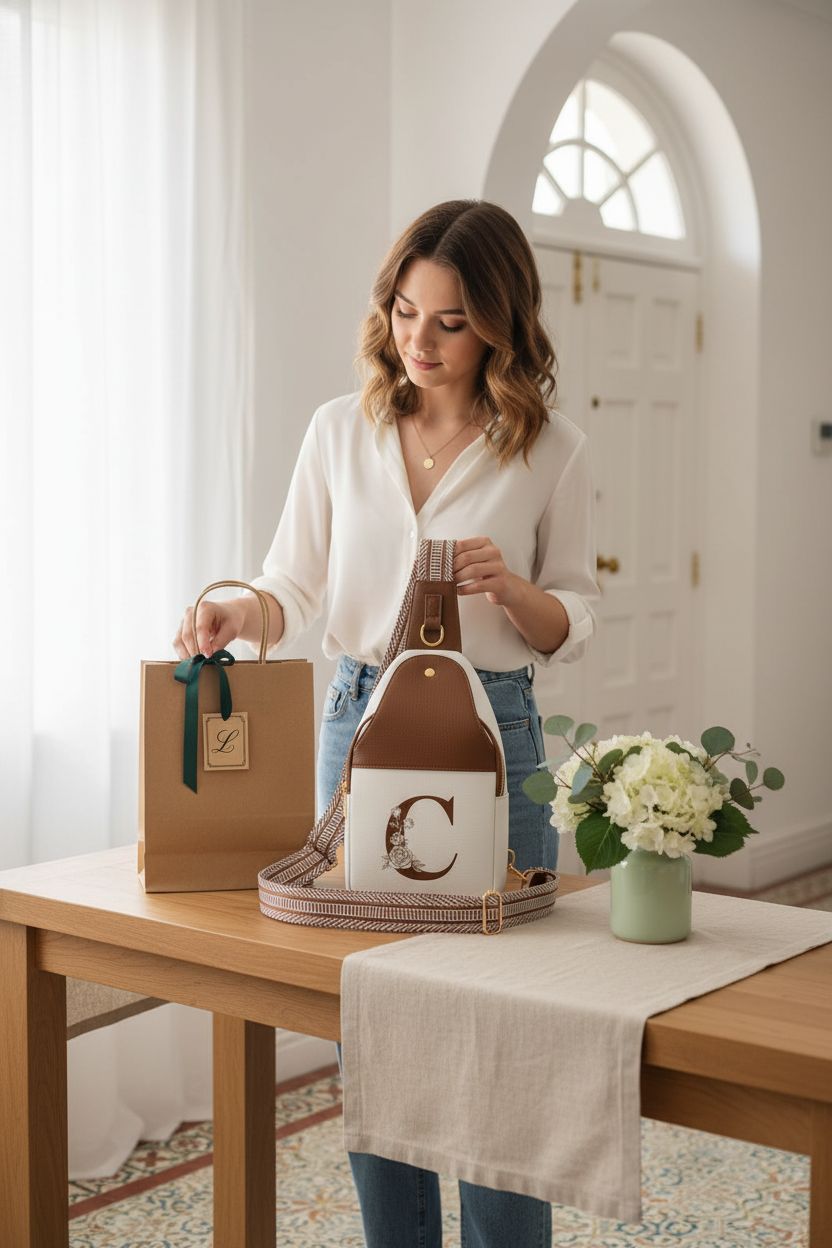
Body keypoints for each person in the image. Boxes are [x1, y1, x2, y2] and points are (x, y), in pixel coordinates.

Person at [173, 199, 599, 1248]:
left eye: (449, 321)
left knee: (503, 1027)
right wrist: (242, 615)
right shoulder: (339, 429)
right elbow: (292, 584)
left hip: (494, 727)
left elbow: (575, 614)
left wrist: (515, 594)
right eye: (405, 311)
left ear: (500, 321)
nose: (419, 340)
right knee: (379, 1018)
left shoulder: (552, 450)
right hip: (355, 717)